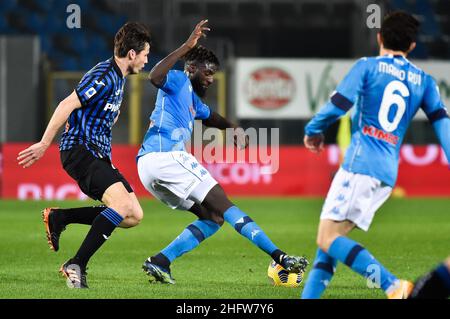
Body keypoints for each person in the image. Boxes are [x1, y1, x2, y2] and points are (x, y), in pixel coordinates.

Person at [136, 20, 309, 284]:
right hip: (164, 157)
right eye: (207, 73)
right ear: (192, 68)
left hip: (149, 170)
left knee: (213, 217)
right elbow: (154, 77)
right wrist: (186, 46)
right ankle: (280, 257)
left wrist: (232, 126)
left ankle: (161, 261)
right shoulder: (178, 79)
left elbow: (210, 117)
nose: (211, 79)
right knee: (225, 204)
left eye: (213, 75)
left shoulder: (193, 100)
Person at [301, 11, 450, 299]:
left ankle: (394, 287)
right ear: (412, 46)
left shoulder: (367, 66)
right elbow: (444, 127)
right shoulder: (424, 81)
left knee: (327, 237)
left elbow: (338, 103)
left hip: (360, 164)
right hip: (386, 173)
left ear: (379, 37)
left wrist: (312, 130)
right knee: (331, 242)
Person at [17, 22, 151, 288]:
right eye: (145, 54)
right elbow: (67, 103)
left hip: (97, 153)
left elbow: (98, 112)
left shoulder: (118, 78)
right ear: (132, 54)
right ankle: (76, 264)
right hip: (80, 150)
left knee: (133, 215)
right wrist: (45, 143)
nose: (147, 60)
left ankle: (61, 218)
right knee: (121, 206)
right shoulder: (104, 75)